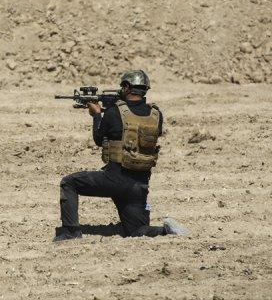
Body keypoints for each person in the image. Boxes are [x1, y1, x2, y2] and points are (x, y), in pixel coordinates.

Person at [53, 70, 188, 242]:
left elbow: (99, 140)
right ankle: (166, 231)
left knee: (69, 182)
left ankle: (70, 232)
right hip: (139, 185)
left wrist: (96, 115)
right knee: (137, 230)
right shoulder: (156, 115)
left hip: (114, 179)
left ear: (126, 87)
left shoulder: (114, 112)